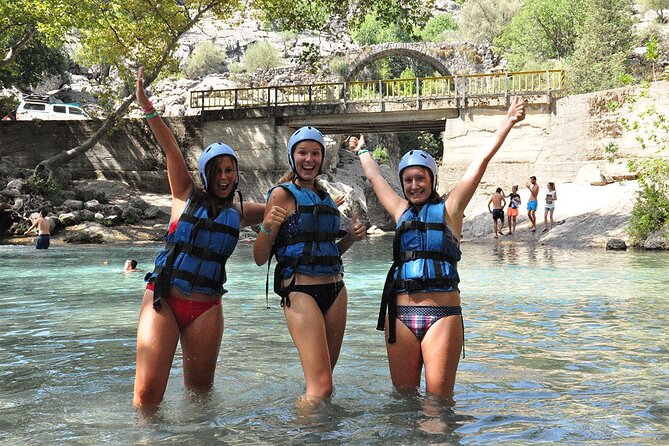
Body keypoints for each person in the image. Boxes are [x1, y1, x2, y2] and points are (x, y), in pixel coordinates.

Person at [348, 97, 525, 398]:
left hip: (442, 314)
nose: (415, 185)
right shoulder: (399, 209)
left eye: (421, 178)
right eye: (408, 180)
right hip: (399, 315)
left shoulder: (451, 208)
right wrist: (362, 150)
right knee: (403, 403)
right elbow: (375, 176)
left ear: (432, 179)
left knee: (438, 406)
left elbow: (480, 161)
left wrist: (508, 121)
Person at [132, 67, 265, 407]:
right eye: (217, 170)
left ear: (236, 174)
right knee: (147, 396)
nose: (224, 177)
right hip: (165, 298)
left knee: (200, 398)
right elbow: (171, 148)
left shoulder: (242, 210)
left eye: (229, 170)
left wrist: (313, 198)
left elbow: (280, 207)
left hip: (207, 307)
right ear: (206, 174)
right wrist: (146, 106)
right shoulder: (184, 194)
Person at [253, 126, 366, 408]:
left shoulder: (325, 196)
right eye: (302, 152)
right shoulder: (282, 195)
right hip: (301, 292)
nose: (309, 159)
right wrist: (267, 227)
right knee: (322, 388)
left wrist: (350, 238)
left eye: (315, 153)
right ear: (292, 157)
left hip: (336, 291)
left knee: (324, 381)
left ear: (322, 157)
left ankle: (320, 434)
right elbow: (259, 257)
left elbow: (330, 251)